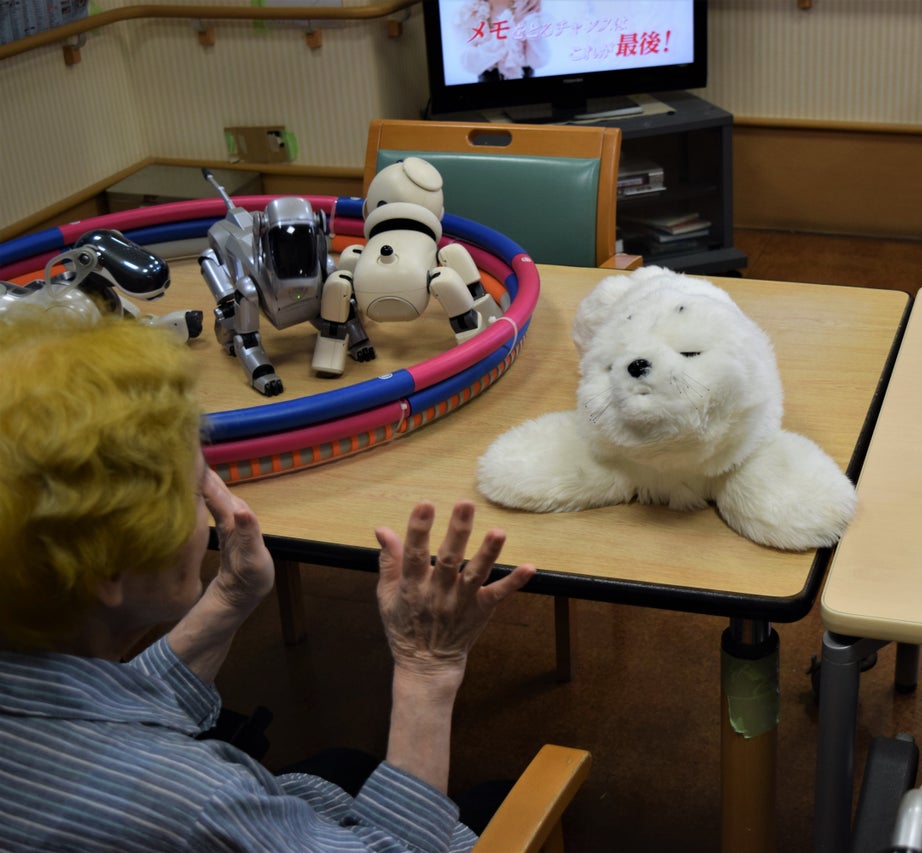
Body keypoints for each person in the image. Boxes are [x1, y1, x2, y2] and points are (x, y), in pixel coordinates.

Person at [0, 310, 536, 850]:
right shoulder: (196, 803)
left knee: (344, 766)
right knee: (502, 800)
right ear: (109, 568)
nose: (209, 509)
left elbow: (89, 714)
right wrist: (428, 667)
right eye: (193, 492)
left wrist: (231, 596)